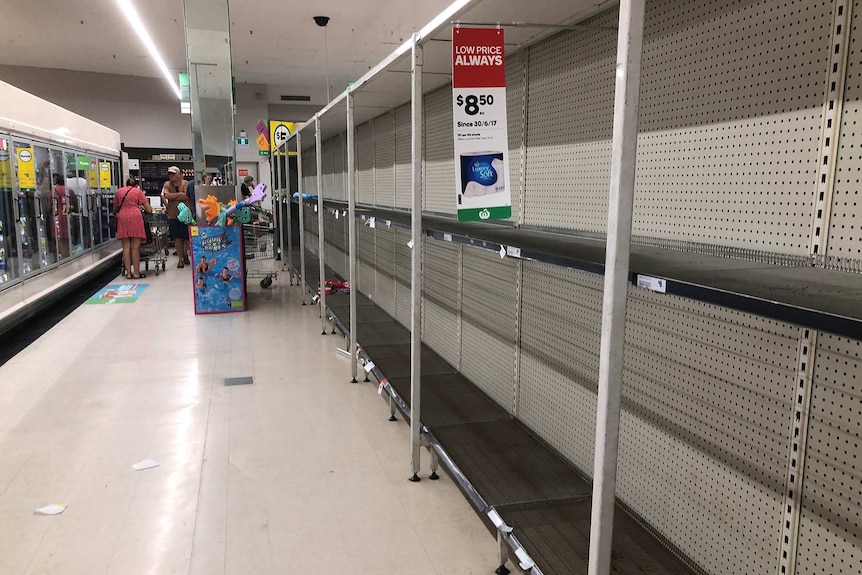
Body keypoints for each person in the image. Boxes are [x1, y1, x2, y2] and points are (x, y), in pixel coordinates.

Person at [115, 177, 152, 279]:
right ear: (136, 185)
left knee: (126, 247)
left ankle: (128, 273)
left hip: (122, 218)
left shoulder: (119, 192)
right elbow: (149, 209)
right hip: (135, 218)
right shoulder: (138, 192)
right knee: (135, 248)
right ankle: (136, 273)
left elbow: (115, 207)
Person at [161, 166, 193, 268]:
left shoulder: (185, 183)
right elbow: (166, 195)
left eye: (173, 174)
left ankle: (185, 254)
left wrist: (173, 195)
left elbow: (186, 196)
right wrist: (179, 194)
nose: (171, 176)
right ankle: (180, 259)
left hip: (186, 214)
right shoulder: (167, 184)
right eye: (170, 174)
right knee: (177, 238)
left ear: (179, 174)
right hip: (172, 215)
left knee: (186, 237)